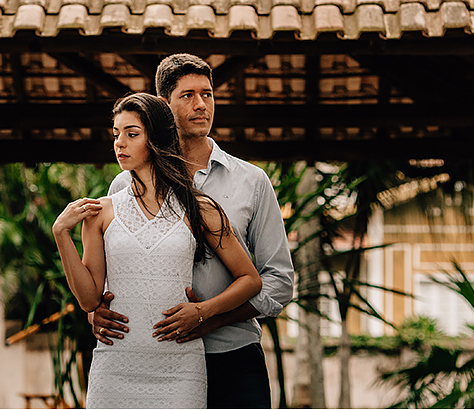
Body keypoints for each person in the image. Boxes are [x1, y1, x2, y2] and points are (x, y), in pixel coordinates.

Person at [93, 54, 296, 409]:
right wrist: (95, 311)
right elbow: (111, 271)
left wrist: (209, 317)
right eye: (187, 95)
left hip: (233, 356)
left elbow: (279, 281)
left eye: (208, 94)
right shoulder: (123, 185)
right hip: (151, 359)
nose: (201, 104)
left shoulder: (252, 182)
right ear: (163, 106)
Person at [53, 92, 262, 409]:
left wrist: (203, 311)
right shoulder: (100, 212)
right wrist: (61, 235)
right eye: (116, 134)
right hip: (115, 369)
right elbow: (89, 299)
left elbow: (250, 279)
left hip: (179, 370)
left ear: (157, 139)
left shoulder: (200, 208)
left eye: (131, 134)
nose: (119, 143)